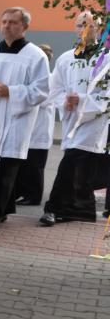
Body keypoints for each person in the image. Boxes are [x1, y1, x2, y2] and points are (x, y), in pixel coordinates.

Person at [0, 7, 50, 235]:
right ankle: (1, 209)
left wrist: (11, 91)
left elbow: (42, 90)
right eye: (4, 21)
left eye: (13, 22)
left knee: (6, 169)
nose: (7, 26)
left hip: (16, 120)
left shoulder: (36, 56)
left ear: (25, 26)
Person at [41, 12, 109, 225]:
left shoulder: (106, 59)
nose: (84, 29)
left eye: (89, 25)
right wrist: (66, 101)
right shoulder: (65, 58)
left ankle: (53, 208)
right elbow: (54, 89)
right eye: (80, 25)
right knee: (81, 169)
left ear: (98, 29)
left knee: (71, 163)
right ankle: (82, 210)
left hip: (94, 122)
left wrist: (80, 100)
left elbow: (107, 95)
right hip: (71, 119)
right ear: (75, 28)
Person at [14, 43, 55, 206]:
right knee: (24, 165)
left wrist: (24, 94)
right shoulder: (32, 79)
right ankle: (22, 192)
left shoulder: (50, 79)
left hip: (39, 130)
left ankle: (33, 196)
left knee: (35, 166)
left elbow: (43, 100)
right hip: (28, 128)